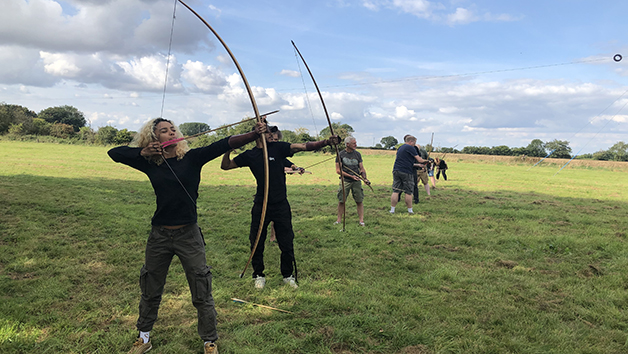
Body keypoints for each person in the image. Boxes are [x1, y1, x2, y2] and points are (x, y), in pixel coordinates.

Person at [108, 117, 267, 354]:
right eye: (164, 131)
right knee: (150, 288)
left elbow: (223, 143)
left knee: (201, 288)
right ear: (154, 138)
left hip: (188, 235)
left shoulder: (192, 158)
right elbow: (115, 153)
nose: (171, 132)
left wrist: (254, 134)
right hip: (159, 235)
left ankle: (209, 341)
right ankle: (144, 338)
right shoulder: (151, 162)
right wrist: (143, 152)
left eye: (173, 129)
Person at [221, 129, 340, 290]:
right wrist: (227, 150)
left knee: (286, 241)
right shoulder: (250, 155)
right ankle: (258, 275)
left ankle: (288, 275)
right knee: (256, 241)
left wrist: (326, 142)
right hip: (261, 205)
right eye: (267, 132)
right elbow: (226, 166)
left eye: (271, 133)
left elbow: (304, 146)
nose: (271, 135)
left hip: (280, 204)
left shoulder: (278, 148)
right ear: (258, 135)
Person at [389, 135, 428, 214]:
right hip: (406, 172)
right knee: (408, 192)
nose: (415, 145)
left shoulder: (401, 148)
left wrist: (418, 165)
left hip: (396, 170)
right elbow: (419, 159)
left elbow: (406, 162)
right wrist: (428, 161)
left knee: (396, 190)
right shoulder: (410, 148)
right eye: (414, 143)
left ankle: (392, 210)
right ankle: (410, 210)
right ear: (411, 141)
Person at [335, 136, 370, 226]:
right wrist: (351, 176)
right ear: (347, 144)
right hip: (345, 181)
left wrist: (365, 178)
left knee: (359, 200)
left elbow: (361, 168)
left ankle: (361, 221)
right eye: (354, 143)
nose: (356, 145)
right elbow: (338, 171)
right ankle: (339, 220)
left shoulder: (357, 154)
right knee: (341, 200)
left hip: (357, 181)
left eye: (355, 143)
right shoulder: (341, 154)